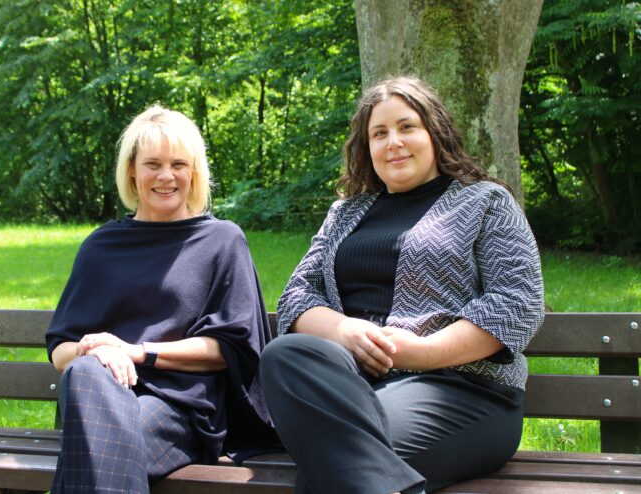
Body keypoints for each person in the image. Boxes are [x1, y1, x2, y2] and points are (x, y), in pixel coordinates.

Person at [260, 76, 544, 494]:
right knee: (285, 353)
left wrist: (420, 352)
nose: (393, 142)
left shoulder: (485, 202)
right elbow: (297, 296)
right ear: (366, 147)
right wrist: (343, 331)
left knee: (333, 456)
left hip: (463, 390)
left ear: (435, 133)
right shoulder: (345, 213)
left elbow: (518, 302)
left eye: (407, 127)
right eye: (379, 133)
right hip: (353, 383)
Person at [46, 105, 275, 493]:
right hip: (96, 399)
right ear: (132, 170)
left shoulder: (221, 241)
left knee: (94, 448)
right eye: (153, 163)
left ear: (194, 172)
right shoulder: (102, 246)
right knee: (85, 372)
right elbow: (60, 350)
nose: (166, 176)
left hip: (180, 409)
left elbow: (231, 348)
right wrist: (95, 353)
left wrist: (136, 351)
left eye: (178, 164)